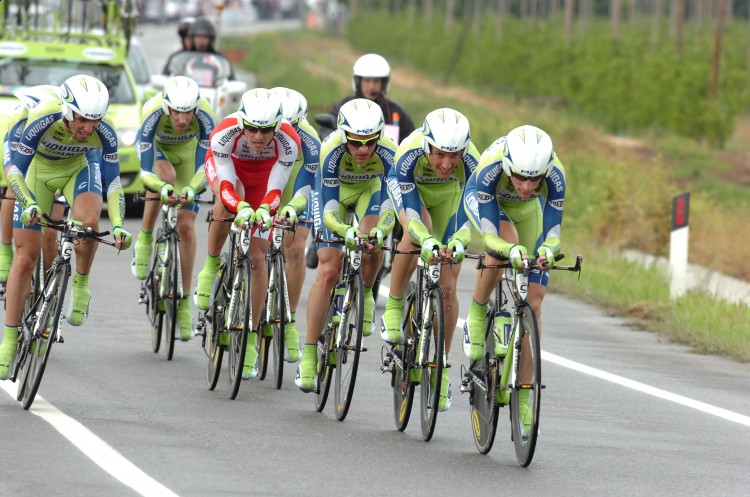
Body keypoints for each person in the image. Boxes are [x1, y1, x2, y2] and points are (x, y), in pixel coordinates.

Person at [0, 75, 132, 380]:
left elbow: (112, 182)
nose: (88, 128)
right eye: (83, 120)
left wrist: (119, 224)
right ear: (67, 111)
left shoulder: (105, 132)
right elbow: (16, 172)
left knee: (88, 225)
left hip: (78, 170)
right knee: (25, 258)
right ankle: (8, 339)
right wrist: (29, 203)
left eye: (95, 121)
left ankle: (81, 285)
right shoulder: (42, 118)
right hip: (37, 174)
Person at [462, 124, 567, 431]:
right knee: (502, 252)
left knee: (534, 304)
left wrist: (547, 249)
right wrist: (511, 250)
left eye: (535, 179)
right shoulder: (490, 167)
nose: (526, 184)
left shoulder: (556, 175)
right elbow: (492, 239)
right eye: (519, 176)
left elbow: (553, 232)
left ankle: (523, 397)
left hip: (527, 212)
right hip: (489, 205)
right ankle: (478, 312)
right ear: (508, 166)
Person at [194, 88, 300, 379]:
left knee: (256, 258)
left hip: (263, 179)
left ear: (277, 126)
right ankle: (211, 265)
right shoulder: (224, 134)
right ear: (242, 122)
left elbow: (276, 190)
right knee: (227, 205)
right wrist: (239, 206)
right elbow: (227, 187)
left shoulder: (289, 140)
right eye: (252, 128)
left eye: (265, 130)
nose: (257, 136)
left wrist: (265, 209)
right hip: (230, 173)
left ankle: (251, 336)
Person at [380, 108, 479, 412]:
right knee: (413, 235)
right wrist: (425, 238)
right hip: (415, 193)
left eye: (454, 156)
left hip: (450, 198)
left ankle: (442, 367)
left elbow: (471, 209)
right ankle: (395, 305)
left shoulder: (473, 162)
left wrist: (458, 242)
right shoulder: (409, 152)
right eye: (439, 155)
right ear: (427, 147)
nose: (447, 163)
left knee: (448, 286)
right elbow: (411, 215)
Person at [295, 98, 397, 392]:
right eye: (355, 142)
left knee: (372, 241)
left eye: (370, 142)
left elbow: (391, 207)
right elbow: (327, 212)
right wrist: (343, 231)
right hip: (333, 195)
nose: (363, 149)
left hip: (369, 190)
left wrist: (380, 231)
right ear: (343, 136)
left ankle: (365, 292)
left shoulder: (390, 152)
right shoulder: (330, 151)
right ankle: (310, 353)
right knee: (329, 268)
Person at [131, 76, 216, 342]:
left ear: (196, 108)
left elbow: (205, 168)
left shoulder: (206, 116)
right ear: (167, 107)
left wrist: (192, 189)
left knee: (187, 225)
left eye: (188, 111)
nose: (182, 118)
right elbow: (145, 171)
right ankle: (145, 238)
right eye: (177, 112)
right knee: (163, 178)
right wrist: (159, 185)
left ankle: (182, 301)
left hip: (189, 154)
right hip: (159, 153)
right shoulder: (152, 111)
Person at [270, 87, 321, 363]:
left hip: (296, 185)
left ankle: (288, 320)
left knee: (296, 245)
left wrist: (292, 211)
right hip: (264, 178)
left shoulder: (310, 140)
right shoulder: (258, 128)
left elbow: (307, 185)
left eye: (294, 125)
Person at [0, 85, 62, 284]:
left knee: (51, 233)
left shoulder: (57, 118)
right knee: (13, 188)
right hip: (22, 159)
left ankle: (49, 290)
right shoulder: (20, 119)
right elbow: (15, 169)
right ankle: (5, 248)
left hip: (51, 163)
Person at [327, 53, 415, 145]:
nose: (371, 86)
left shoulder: (397, 113)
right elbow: (327, 137)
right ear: (358, 82)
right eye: (367, 80)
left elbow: (410, 145)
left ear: (383, 83)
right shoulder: (343, 108)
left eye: (376, 81)